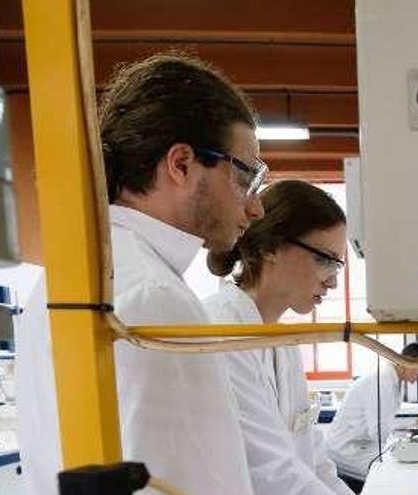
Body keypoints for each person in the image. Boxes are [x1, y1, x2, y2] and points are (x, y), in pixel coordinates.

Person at [101, 53, 268, 494]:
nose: (255, 207)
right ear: (181, 164)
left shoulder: (89, 272)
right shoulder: (155, 298)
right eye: (245, 178)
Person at [204, 180, 353, 495]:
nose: (333, 284)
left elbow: (313, 456)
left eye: (337, 266)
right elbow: (268, 470)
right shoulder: (222, 332)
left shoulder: (281, 340)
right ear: (270, 247)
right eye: (325, 260)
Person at [326, 343, 418, 492]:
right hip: (347, 451)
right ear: (407, 361)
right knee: (391, 473)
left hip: (361, 446)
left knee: (399, 466)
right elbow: (378, 433)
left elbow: (384, 423)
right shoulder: (382, 381)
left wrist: (413, 424)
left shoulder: (392, 380)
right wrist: (406, 439)